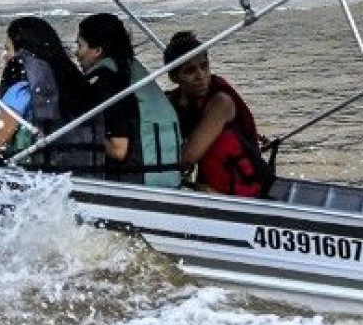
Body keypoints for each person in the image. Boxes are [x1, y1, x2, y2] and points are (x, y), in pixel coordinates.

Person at [0, 16, 106, 173]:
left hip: (35, 181)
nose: (4, 55)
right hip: (86, 179)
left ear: (22, 53)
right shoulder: (75, 86)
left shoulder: (20, 90)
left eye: (8, 49)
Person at [73, 13, 183, 186]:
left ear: (97, 50)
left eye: (80, 45)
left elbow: (118, 150)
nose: (76, 53)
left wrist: (81, 133)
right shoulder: (131, 69)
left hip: (140, 184)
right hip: (168, 178)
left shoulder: (107, 80)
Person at [163, 30, 270, 196]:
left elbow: (188, 157)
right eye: (190, 71)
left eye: (204, 66)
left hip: (249, 192)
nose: (201, 76)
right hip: (216, 188)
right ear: (173, 77)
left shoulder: (221, 102)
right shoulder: (177, 101)